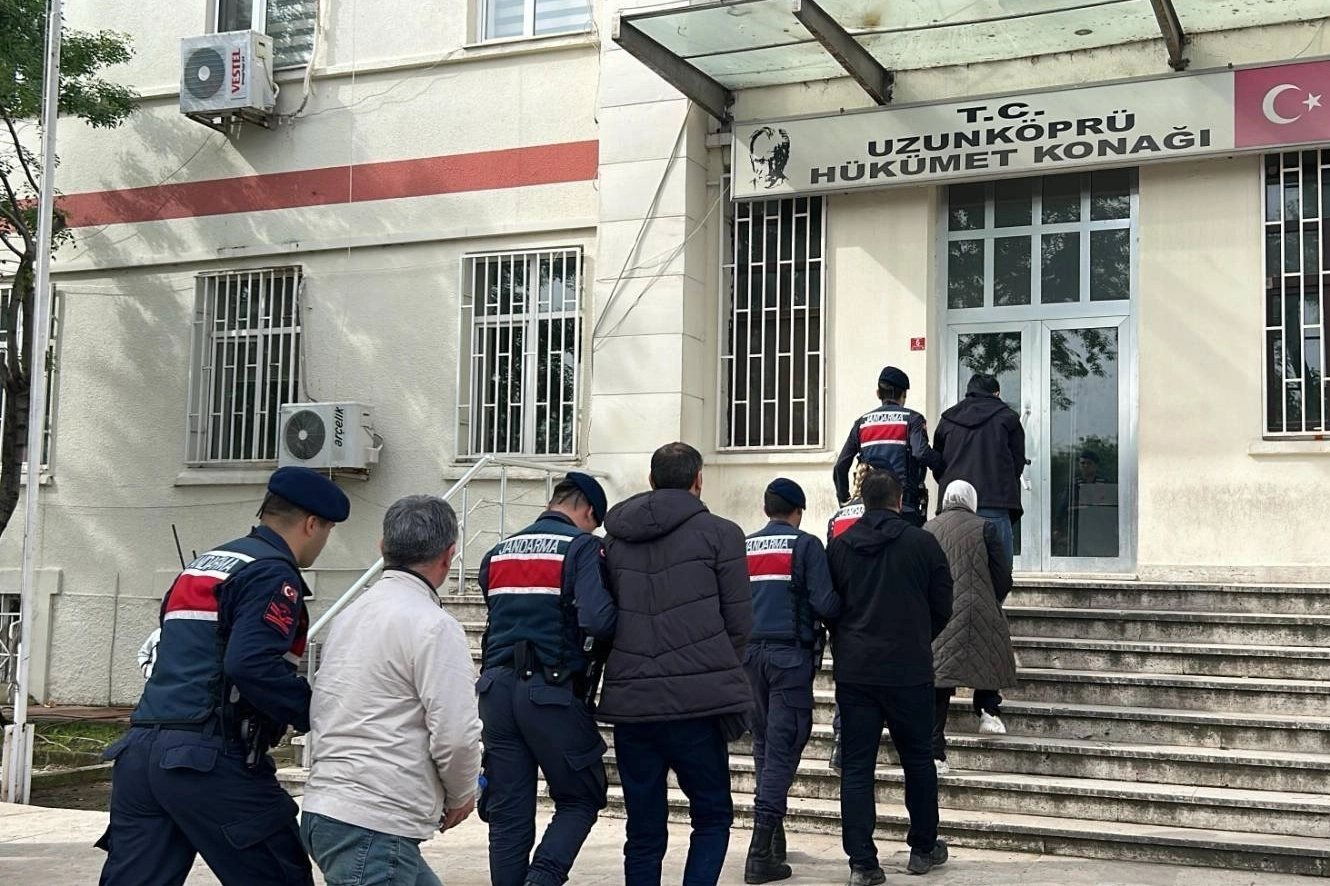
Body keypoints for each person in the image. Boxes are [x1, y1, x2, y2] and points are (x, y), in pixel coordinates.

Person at [98, 466, 350, 886]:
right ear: (311, 524)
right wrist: (319, 713)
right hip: (209, 760)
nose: (324, 542)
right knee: (279, 875)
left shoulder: (203, 566)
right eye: (327, 531)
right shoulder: (272, 573)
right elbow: (249, 664)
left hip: (141, 755)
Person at [301, 494, 482, 886]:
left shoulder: (348, 616)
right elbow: (456, 736)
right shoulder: (434, 626)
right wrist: (461, 795)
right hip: (375, 820)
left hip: (329, 806)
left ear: (382, 547)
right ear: (449, 556)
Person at [598, 442, 753, 886]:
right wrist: (715, 669)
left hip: (632, 705)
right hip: (697, 706)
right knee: (712, 815)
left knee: (643, 829)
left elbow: (604, 617)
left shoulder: (615, 540)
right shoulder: (722, 534)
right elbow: (740, 623)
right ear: (698, 480)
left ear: (651, 480)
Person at [475, 473, 617, 886]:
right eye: (594, 522)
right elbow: (598, 620)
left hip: (495, 693)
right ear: (587, 510)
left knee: (507, 812)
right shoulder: (582, 546)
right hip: (551, 692)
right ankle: (543, 878)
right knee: (581, 796)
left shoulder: (498, 551)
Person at [827, 469, 953, 885]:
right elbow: (943, 604)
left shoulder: (841, 546)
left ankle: (862, 862)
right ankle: (923, 847)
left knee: (857, 767)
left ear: (863, 501)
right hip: (908, 669)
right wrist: (918, 637)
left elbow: (830, 607)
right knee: (917, 759)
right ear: (900, 501)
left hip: (856, 672)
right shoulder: (923, 543)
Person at [742, 478, 841, 884]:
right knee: (784, 747)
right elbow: (825, 603)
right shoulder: (806, 545)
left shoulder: (746, 546)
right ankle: (760, 851)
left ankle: (774, 839)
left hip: (749, 658)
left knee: (764, 746)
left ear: (767, 510)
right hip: (789, 658)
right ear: (798, 511)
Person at [923, 480, 1017, 773]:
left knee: (940, 677)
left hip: (938, 613)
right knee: (988, 651)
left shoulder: (928, 529)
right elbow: (1002, 576)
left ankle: (935, 754)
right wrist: (990, 598)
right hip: (978, 607)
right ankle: (988, 711)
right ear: (971, 500)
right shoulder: (985, 527)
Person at [932, 374, 1026, 570]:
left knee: (953, 574)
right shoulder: (1008, 418)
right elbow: (1017, 462)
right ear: (996, 393)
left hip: (953, 508)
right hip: (995, 503)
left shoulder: (947, 420)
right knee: (998, 574)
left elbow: (938, 463)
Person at [833, 366, 943, 527]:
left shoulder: (861, 424)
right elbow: (921, 453)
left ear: (878, 393)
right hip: (904, 508)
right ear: (904, 394)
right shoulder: (912, 419)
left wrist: (845, 501)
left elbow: (840, 466)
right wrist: (944, 467)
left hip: (868, 508)